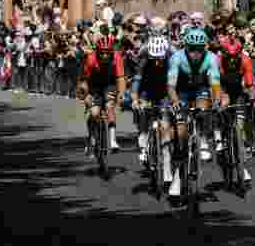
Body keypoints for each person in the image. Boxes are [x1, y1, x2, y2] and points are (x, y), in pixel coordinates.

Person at [166, 27, 222, 197]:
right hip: (181, 91)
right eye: (191, 49)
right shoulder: (176, 58)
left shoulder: (211, 58)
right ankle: (176, 177)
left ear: (205, 47)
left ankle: (203, 140)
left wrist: (217, 99)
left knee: (204, 108)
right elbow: (170, 85)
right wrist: (175, 102)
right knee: (181, 134)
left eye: (199, 49)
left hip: (200, 90)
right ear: (186, 47)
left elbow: (214, 83)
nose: (195, 53)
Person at [76, 35, 126, 155]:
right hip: (93, 84)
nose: (104, 55)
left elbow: (120, 78)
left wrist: (121, 94)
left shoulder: (117, 57)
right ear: (97, 51)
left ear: (111, 52)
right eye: (102, 53)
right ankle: (92, 136)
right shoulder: (91, 59)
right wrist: (86, 95)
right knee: (94, 113)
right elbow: (84, 80)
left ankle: (113, 140)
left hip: (110, 83)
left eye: (107, 53)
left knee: (109, 106)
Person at [217, 34, 255, 184]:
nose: (232, 59)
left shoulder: (245, 59)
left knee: (239, 127)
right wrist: (220, 97)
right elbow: (215, 82)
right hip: (223, 87)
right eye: (229, 56)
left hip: (238, 89)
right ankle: (219, 136)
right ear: (224, 53)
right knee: (221, 108)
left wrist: (252, 97)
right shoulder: (218, 60)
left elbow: (249, 82)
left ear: (240, 53)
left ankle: (241, 165)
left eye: (235, 56)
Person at [131, 34, 172, 169]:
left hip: (164, 93)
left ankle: (166, 158)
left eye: (160, 59)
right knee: (143, 113)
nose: (157, 62)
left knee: (165, 121)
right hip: (146, 92)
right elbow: (137, 79)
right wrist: (135, 98)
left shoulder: (171, 60)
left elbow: (176, 82)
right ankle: (143, 146)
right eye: (154, 59)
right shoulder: (144, 61)